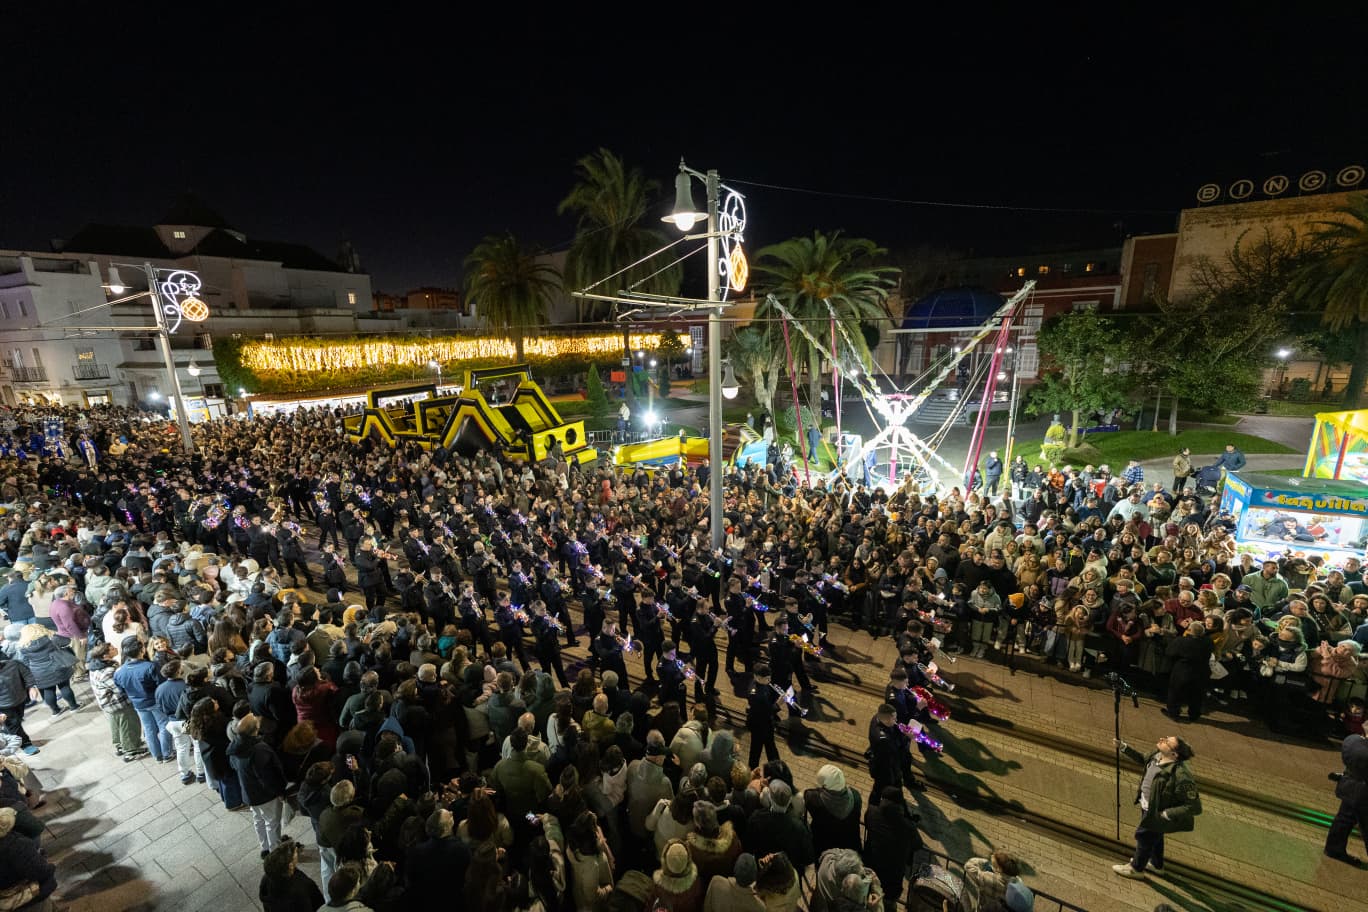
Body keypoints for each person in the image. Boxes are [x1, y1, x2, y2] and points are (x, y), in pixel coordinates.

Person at [1111, 735, 1201, 879]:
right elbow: (1142, 758)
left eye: (1167, 742)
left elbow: (1194, 807)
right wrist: (1123, 747)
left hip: (1157, 813)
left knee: (1144, 837)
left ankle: (1136, 869)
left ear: (1174, 754)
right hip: (1147, 805)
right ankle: (1156, 864)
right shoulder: (1157, 755)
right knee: (1156, 837)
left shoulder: (1181, 776)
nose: (1161, 739)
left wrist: (1167, 814)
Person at [228, 713, 291, 858]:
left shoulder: (235, 746)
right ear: (256, 730)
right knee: (272, 822)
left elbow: (233, 765)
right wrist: (280, 791)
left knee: (258, 820)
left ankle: (265, 847)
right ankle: (276, 853)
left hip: (249, 793)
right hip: (265, 795)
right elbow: (269, 776)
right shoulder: (259, 749)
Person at [1325, 730, 1368, 865]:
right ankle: (1334, 849)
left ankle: (1334, 849)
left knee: (1344, 818)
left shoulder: (1353, 743)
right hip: (1363, 792)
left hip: (1351, 786)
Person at [1164, 621, 1213, 723]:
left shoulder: (1181, 641)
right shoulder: (1208, 642)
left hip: (1183, 670)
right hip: (1201, 671)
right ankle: (1194, 715)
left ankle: (1173, 712)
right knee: (1197, 695)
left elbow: (1170, 652)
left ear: (1189, 630)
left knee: (1176, 692)